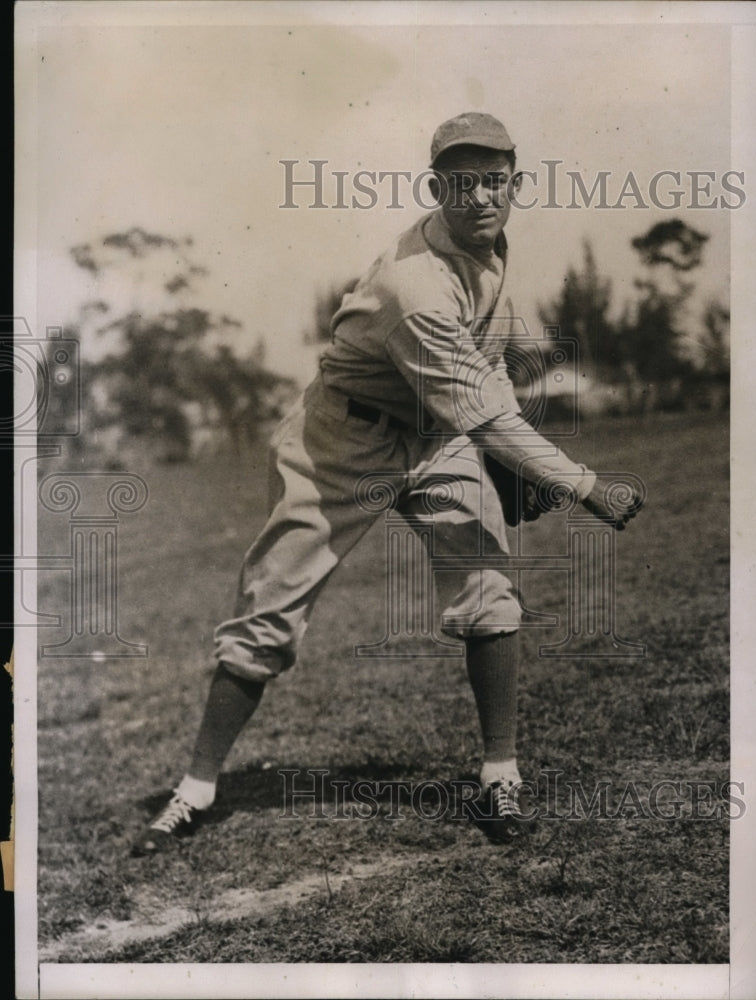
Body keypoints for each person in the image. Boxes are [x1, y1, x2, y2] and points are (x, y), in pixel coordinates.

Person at [132, 112, 638, 854]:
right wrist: (586, 484)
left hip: (435, 439)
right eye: (461, 185)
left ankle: (501, 774)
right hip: (341, 438)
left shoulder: (495, 252)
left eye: (494, 182)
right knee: (271, 608)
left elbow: (485, 365)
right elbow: (486, 413)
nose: (480, 198)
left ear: (516, 185)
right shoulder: (413, 283)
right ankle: (197, 789)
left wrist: (506, 461)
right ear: (437, 188)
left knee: (489, 584)